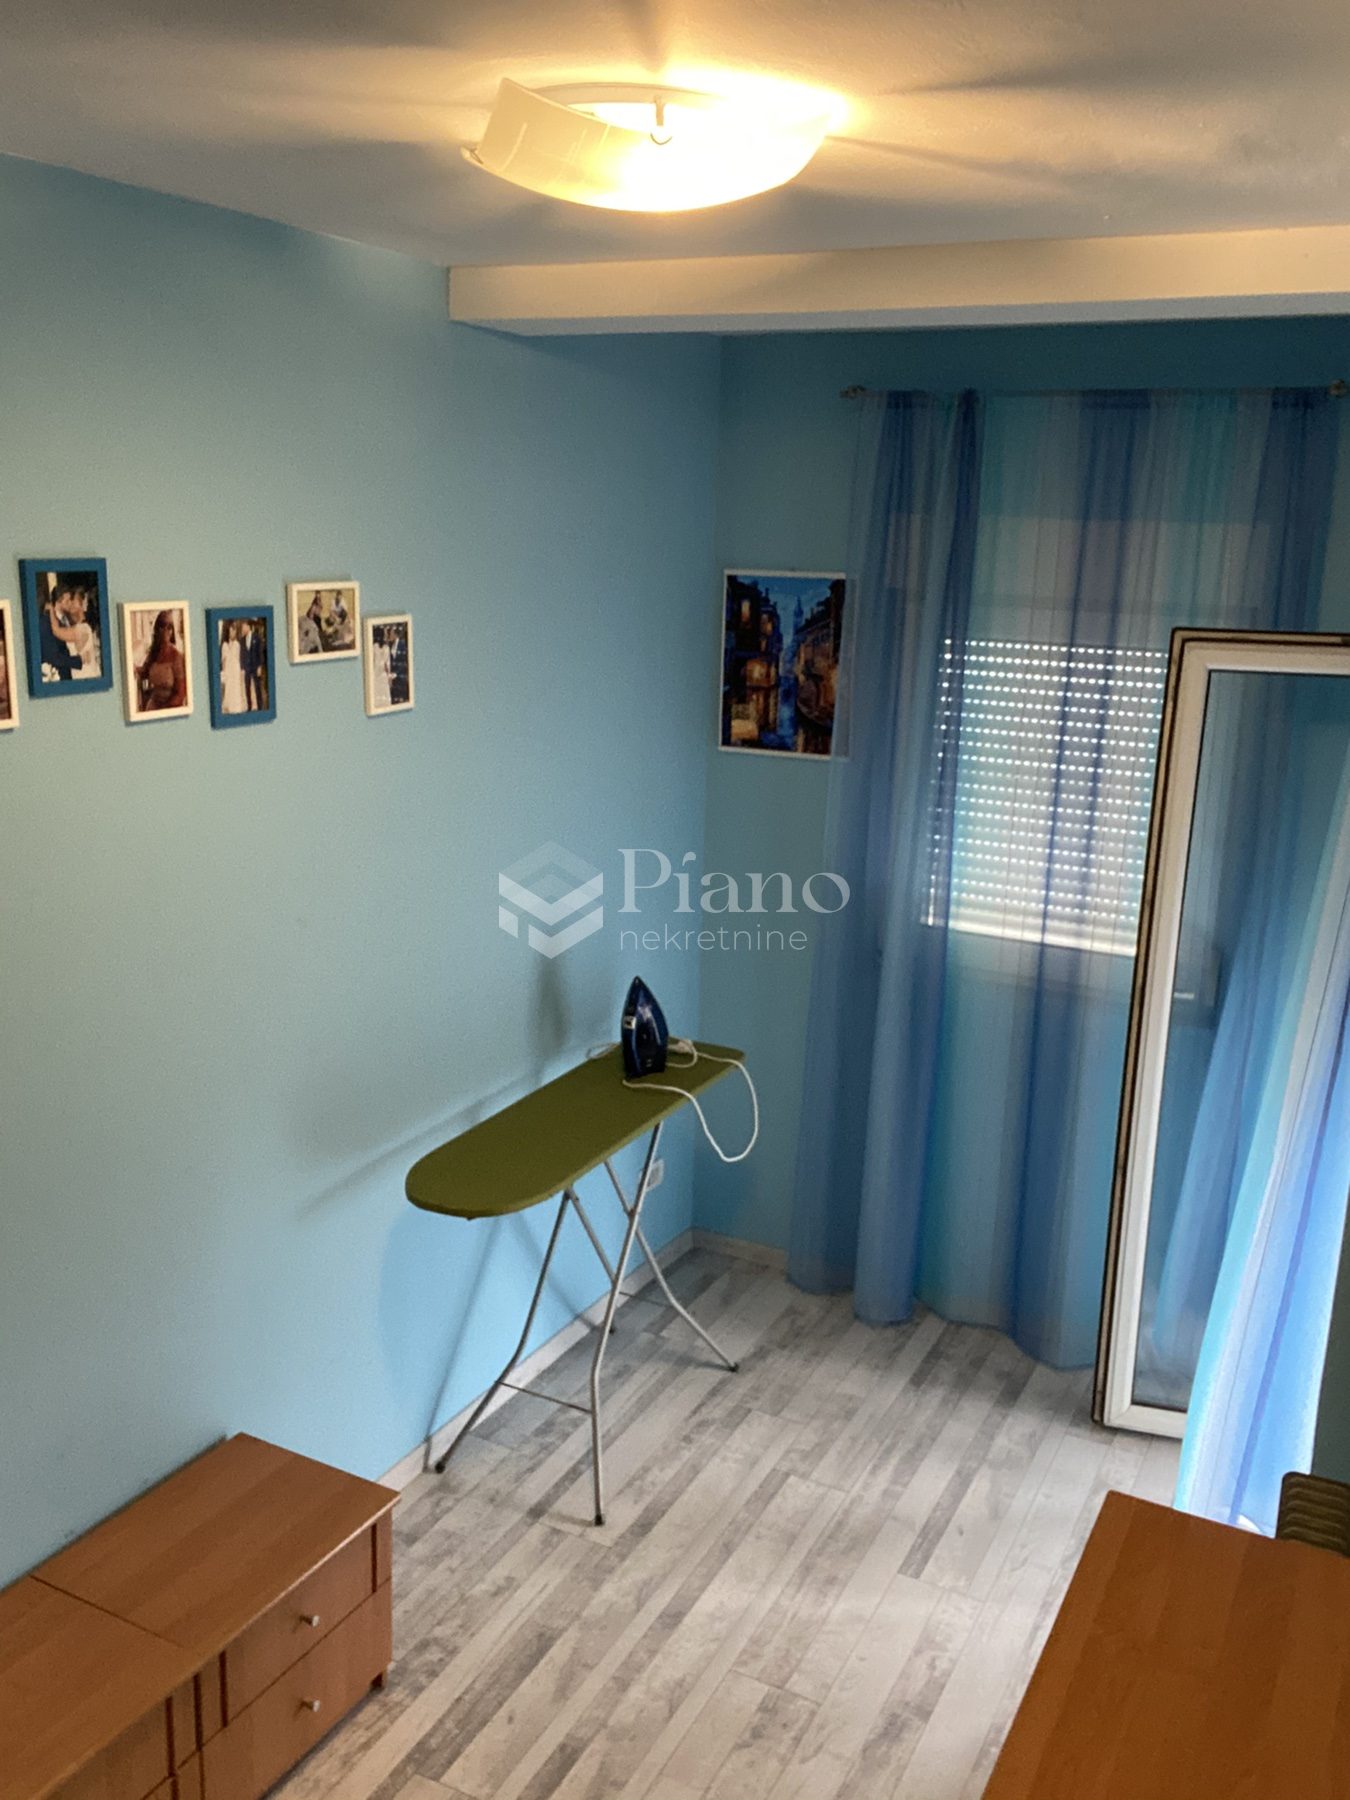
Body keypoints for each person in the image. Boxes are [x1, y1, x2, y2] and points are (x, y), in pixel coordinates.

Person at [43, 583, 100, 679]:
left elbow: (56, 631)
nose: (70, 603)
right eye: (69, 600)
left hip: (85, 676)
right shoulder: (70, 624)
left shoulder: (83, 629)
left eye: (73, 599)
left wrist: (51, 608)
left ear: (83, 604)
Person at [138, 610, 187, 711]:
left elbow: (180, 694)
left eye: (169, 627)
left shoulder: (176, 657)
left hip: (170, 707)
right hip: (153, 703)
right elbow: (144, 672)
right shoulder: (153, 653)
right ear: (157, 629)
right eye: (162, 626)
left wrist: (164, 709)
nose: (166, 630)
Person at [220, 620, 245, 714]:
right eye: (231, 631)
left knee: (236, 688)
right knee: (229, 688)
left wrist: (240, 671)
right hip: (228, 669)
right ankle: (229, 706)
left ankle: (236, 707)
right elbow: (224, 661)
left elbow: (239, 659)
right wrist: (224, 672)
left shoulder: (237, 645)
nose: (232, 633)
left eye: (234, 631)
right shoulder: (224, 645)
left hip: (235, 669)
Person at [242, 619, 266, 710]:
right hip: (247, 667)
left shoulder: (257, 638)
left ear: (248, 626)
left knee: (257, 687)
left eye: (244, 626)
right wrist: (243, 666)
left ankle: (260, 706)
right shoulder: (242, 640)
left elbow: (260, 652)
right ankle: (249, 706)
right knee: (247, 687)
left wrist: (260, 666)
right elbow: (242, 654)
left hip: (255, 666)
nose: (243, 629)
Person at [370, 625, 392, 709]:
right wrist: (389, 678)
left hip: (375, 676)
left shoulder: (373, 648)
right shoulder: (387, 648)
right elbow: (387, 666)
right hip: (383, 677)